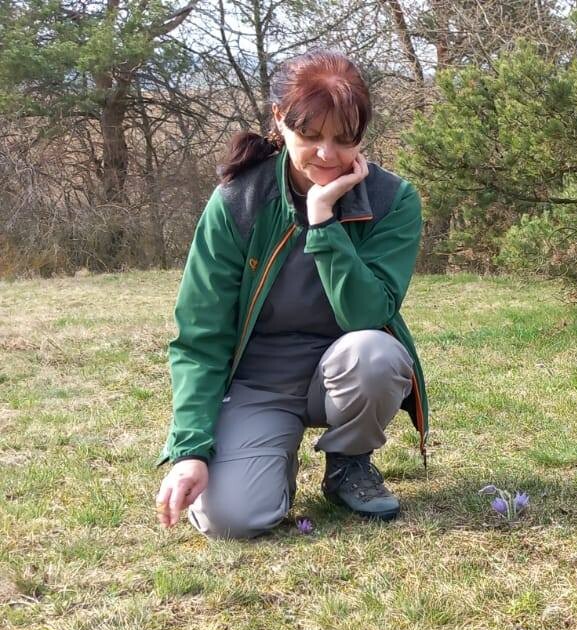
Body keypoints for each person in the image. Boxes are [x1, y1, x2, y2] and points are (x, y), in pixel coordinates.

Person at [154, 50, 428, 538]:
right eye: (311, 136)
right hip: (259, 385)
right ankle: (268, 457)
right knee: (231, 519)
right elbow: (201, 335)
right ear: (279, 120)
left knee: (377, 353)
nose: (327, 154)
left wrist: (323, 221)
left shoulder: (393, 201)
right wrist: (190, 450)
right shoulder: (238, 201)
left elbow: (368, 314)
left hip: (344, 373)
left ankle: (349, 462)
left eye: (344, 139)